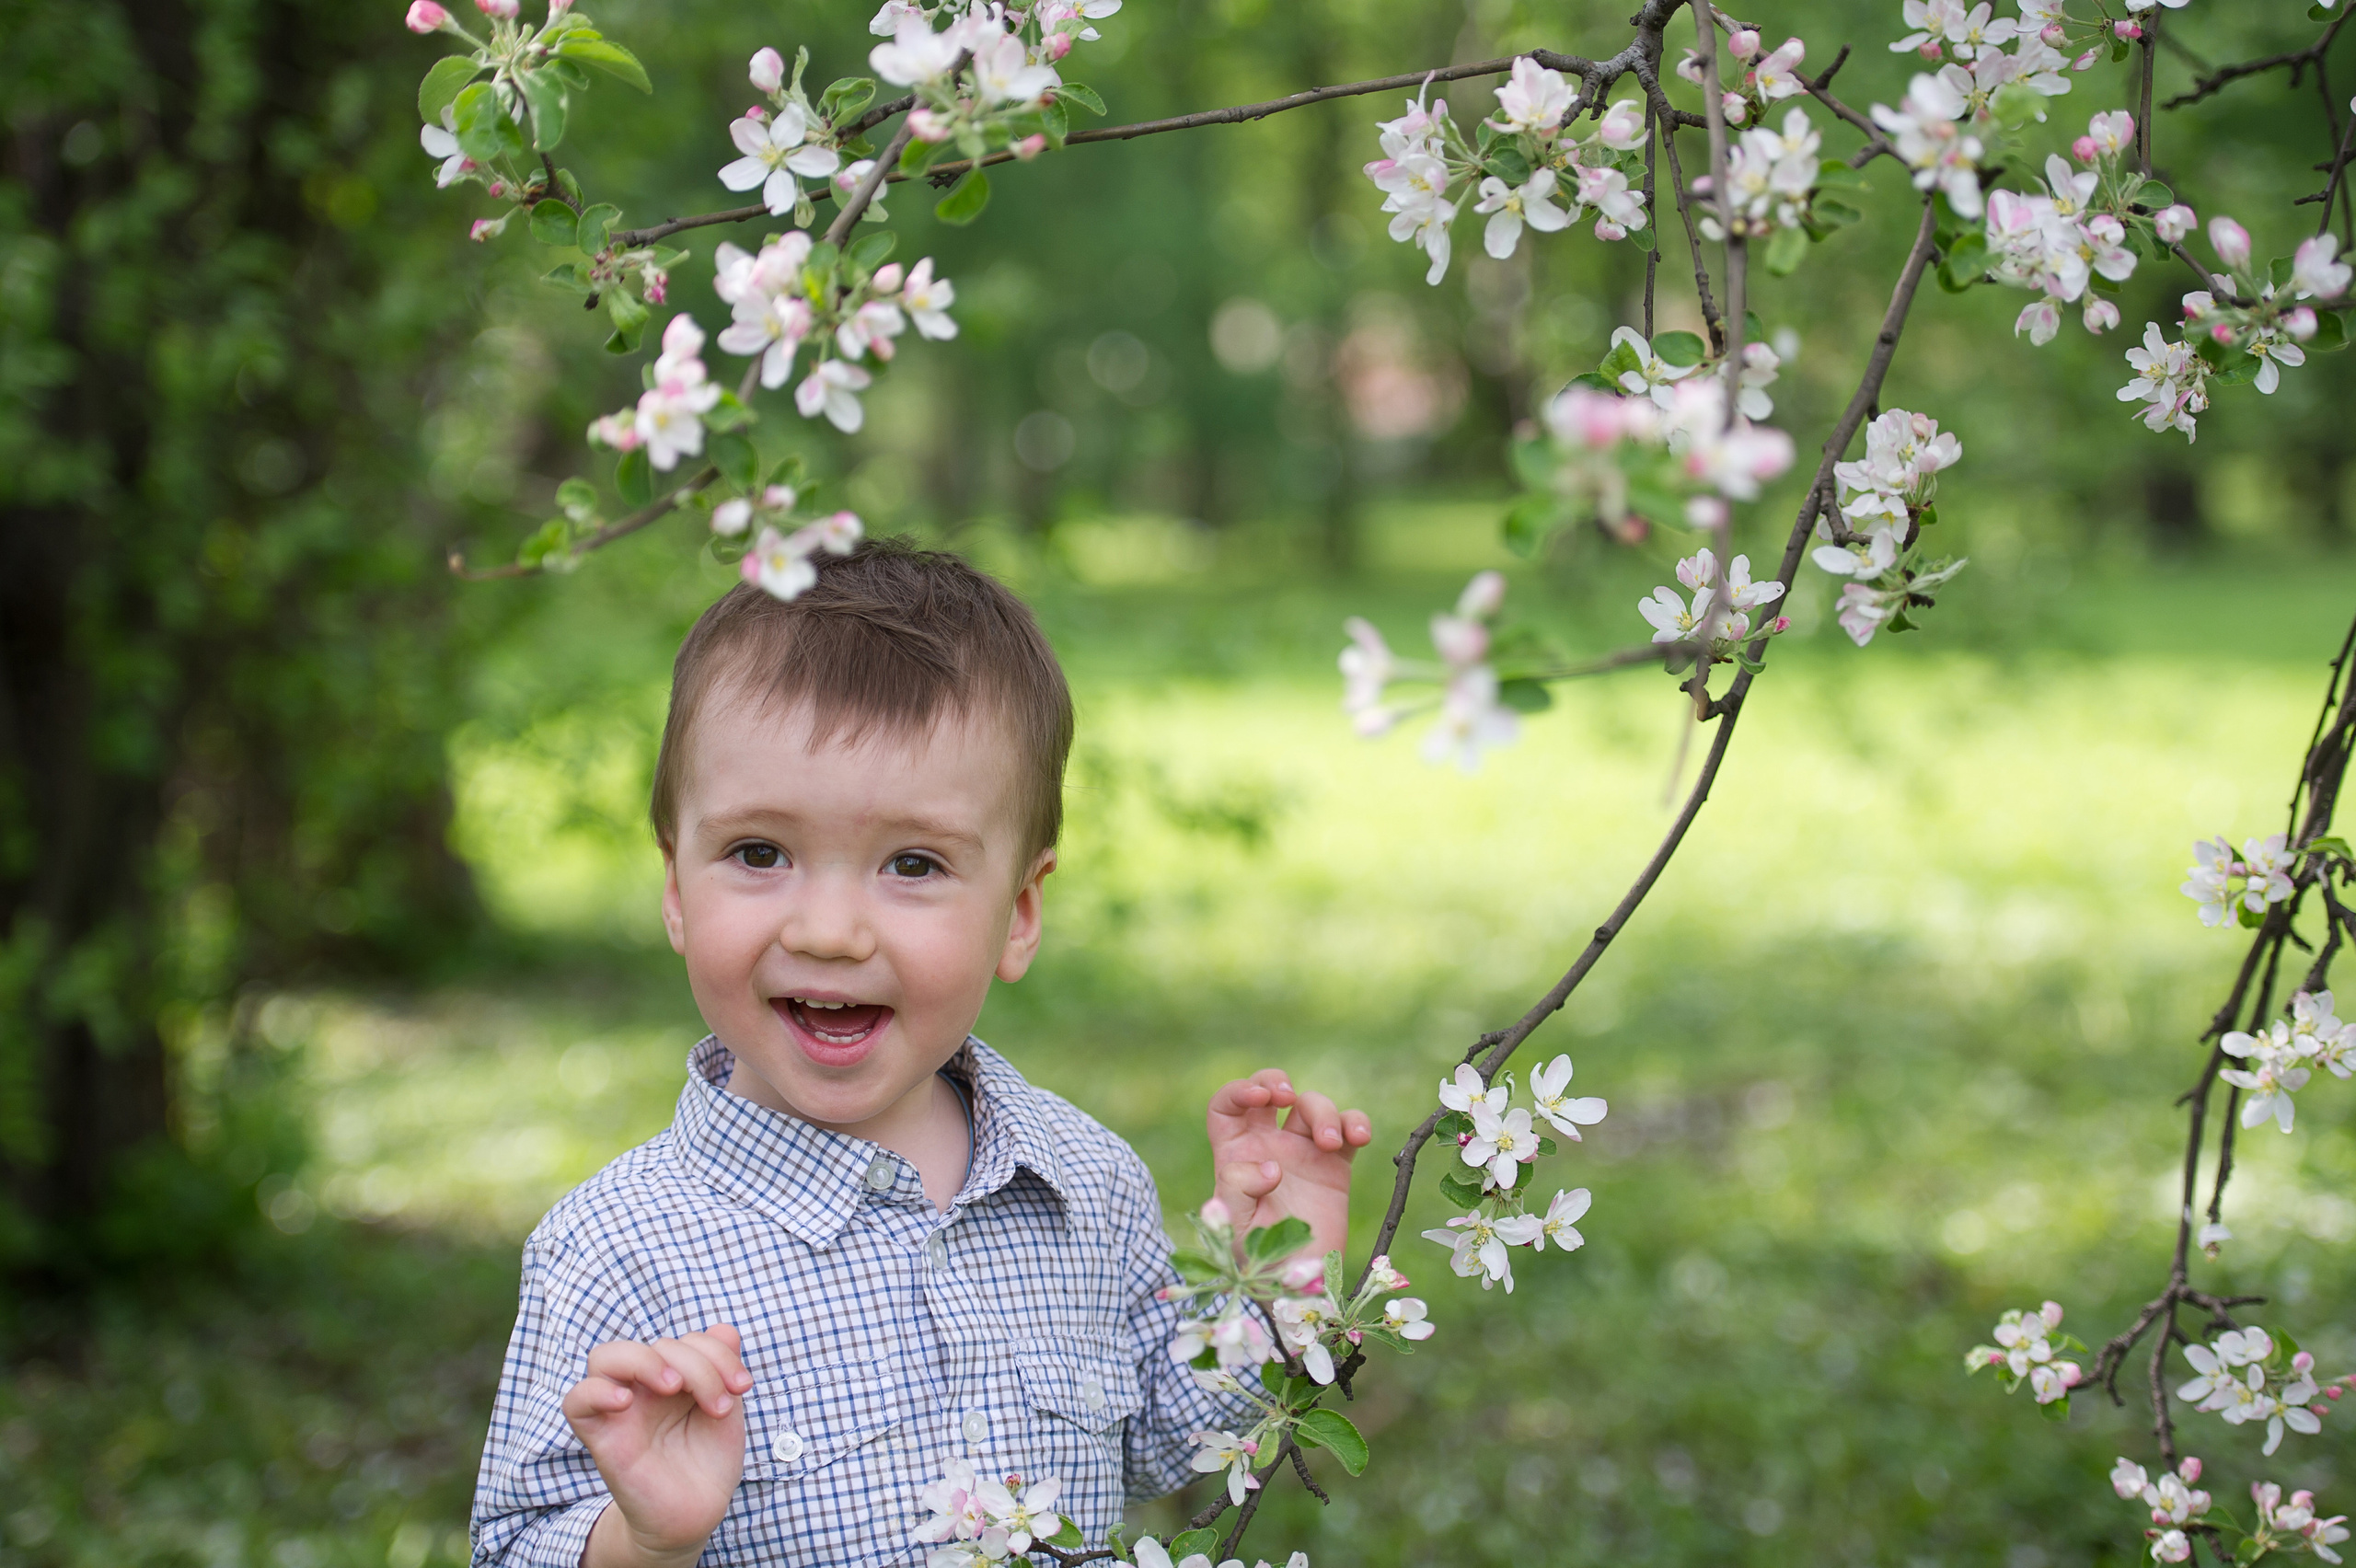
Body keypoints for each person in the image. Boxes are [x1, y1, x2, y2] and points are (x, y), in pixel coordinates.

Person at [469, 538, 1373, 1568]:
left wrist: (1273, 1285)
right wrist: (646, 1539)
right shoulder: (613, 1248)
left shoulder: (1086, 1184)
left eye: (913, 864)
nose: (830, 931)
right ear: (676, 886)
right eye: (759, 853)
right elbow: (511, 1545)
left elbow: (1177, 1439)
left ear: (1020, 911)